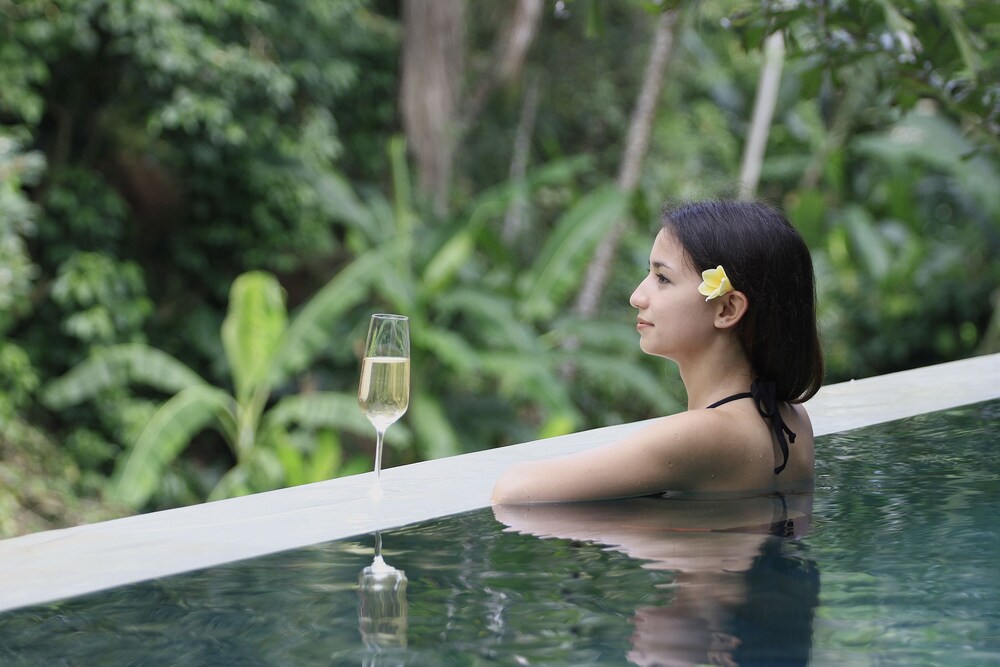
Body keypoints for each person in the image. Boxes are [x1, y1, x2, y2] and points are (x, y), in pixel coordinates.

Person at [491, 200, 824, 504]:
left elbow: (513, 491)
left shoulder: (699, 436)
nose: (637, 296)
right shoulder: (793, 418)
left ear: (727, 309)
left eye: (662, 278)